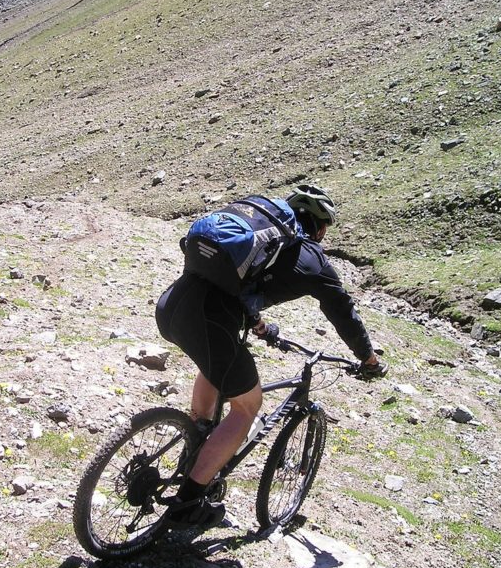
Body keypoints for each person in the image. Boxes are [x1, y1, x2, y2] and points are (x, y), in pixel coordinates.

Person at [155, 184, 387, 529]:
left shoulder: (264, 238)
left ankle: (198, 436)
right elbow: (342, 311)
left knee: (219, 365)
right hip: (210, 320)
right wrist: (367, 357)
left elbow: (240, 287)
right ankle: (187, 503)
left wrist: (259, 324)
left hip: (172, 304)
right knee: (248, 405)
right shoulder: (312, 259)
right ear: (320, 228)